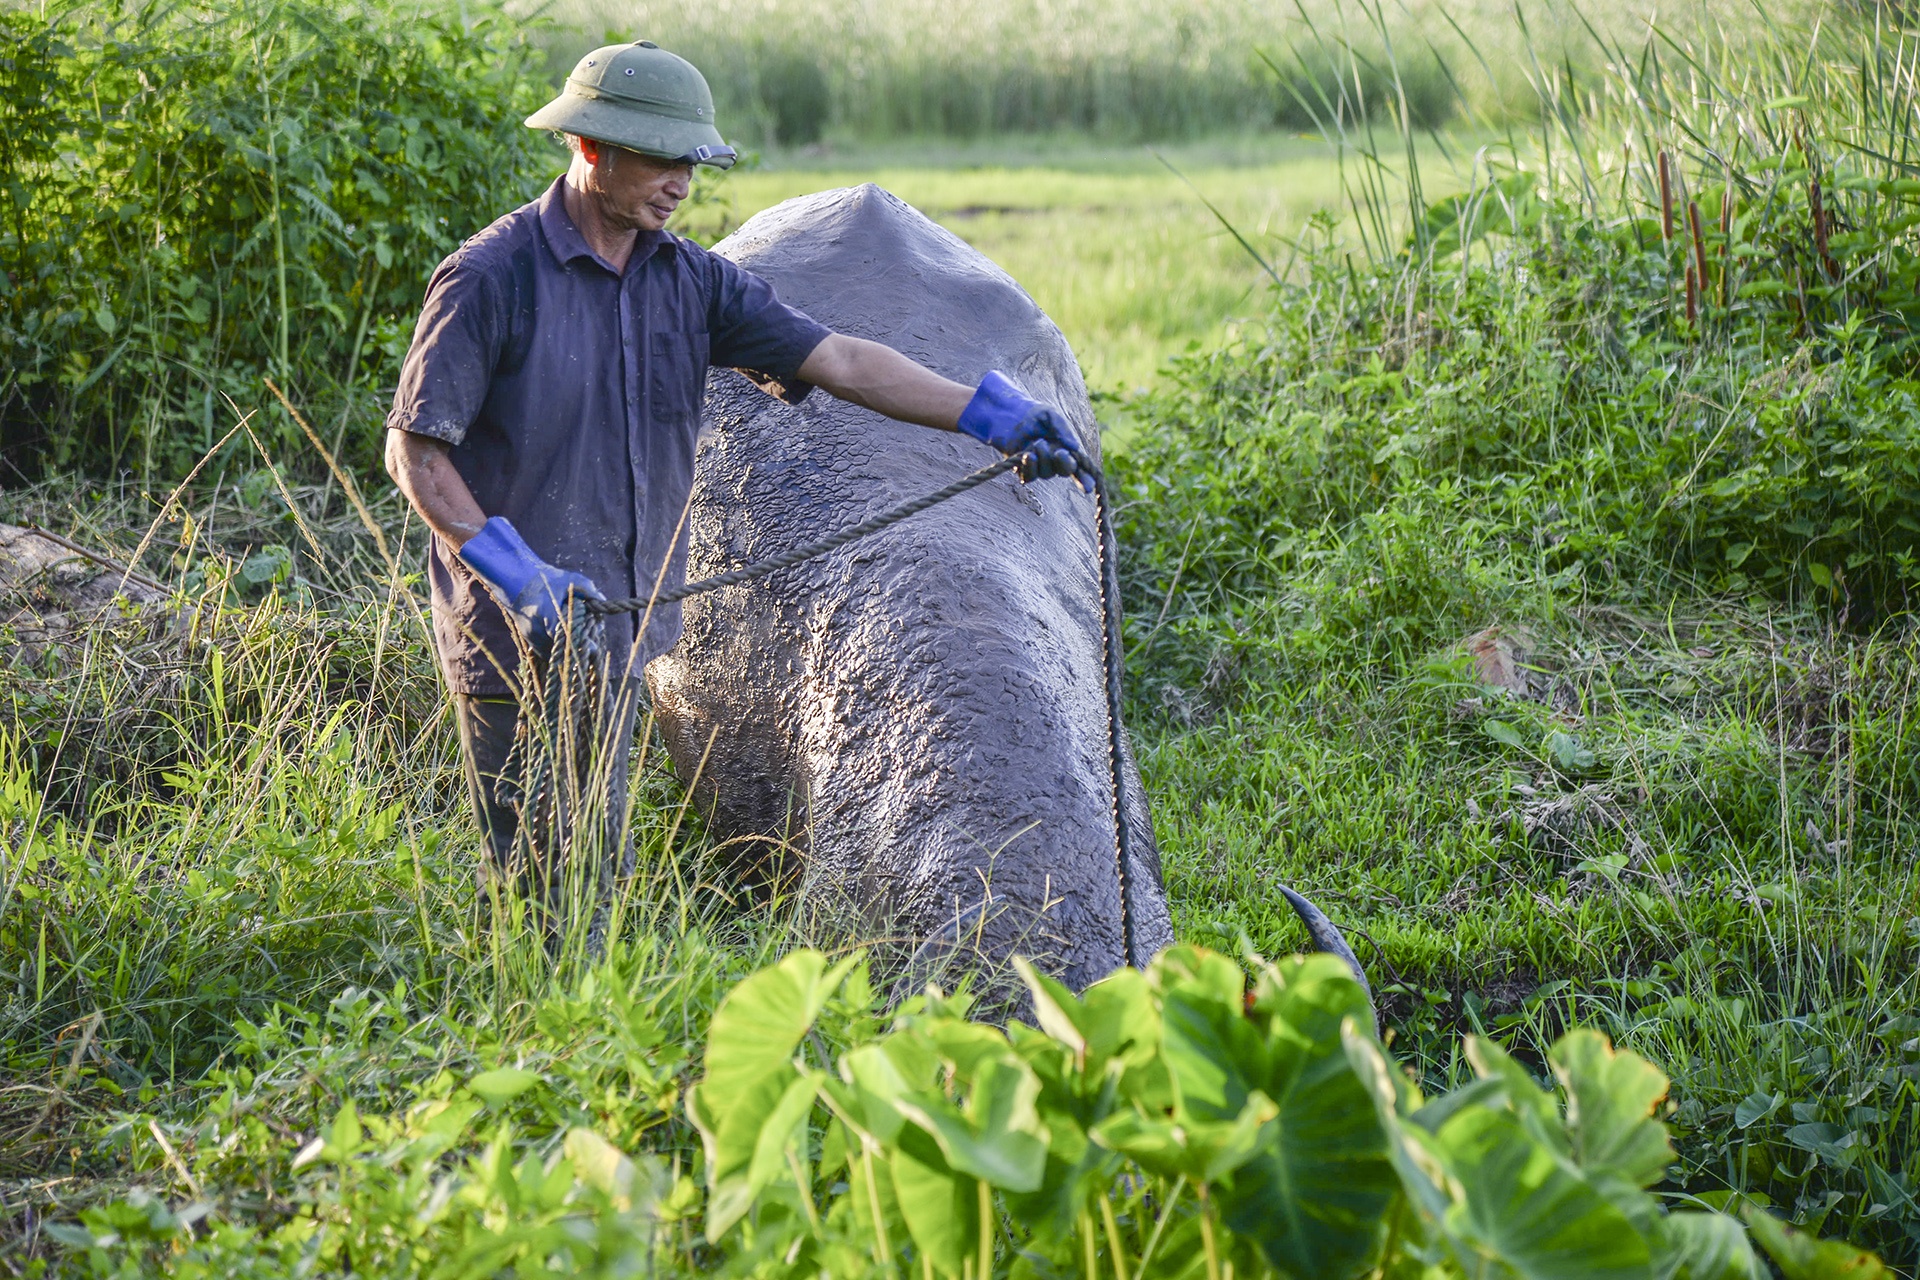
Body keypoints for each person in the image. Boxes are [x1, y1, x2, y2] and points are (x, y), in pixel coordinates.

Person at [384, 39, 1088, 929]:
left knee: (592, 870)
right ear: (591, 148)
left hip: (619, 625)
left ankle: (578, 1030)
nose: (682, 182)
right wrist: (514, 569)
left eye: (693, 162)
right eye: (661, 159)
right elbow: (415, 453)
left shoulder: (690, 283)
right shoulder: (490, 277)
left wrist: (986, 413)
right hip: (511, 630)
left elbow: (839, 359)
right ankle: (521, 1034)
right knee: (529, 883)